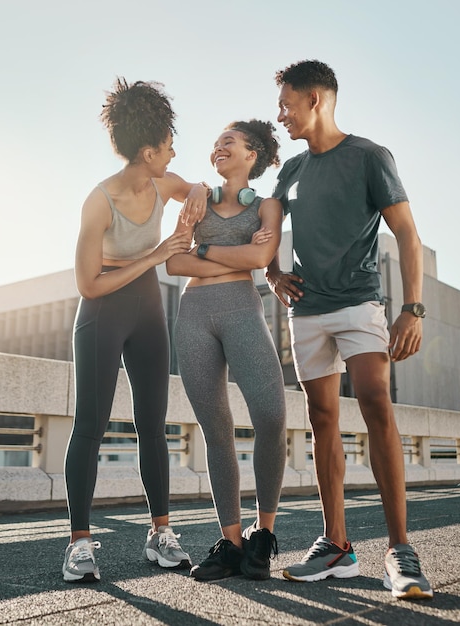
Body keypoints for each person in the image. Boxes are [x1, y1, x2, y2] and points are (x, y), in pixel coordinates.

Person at [266, 60, 433, 600]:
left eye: (287, 103)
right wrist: (272, 273)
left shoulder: (369, 156)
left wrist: (413, 308)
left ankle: (400, 550)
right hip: (307, 311)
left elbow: (406, 232)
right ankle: (336, 545)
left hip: (360, 305)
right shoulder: (289, 170)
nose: (281, 114)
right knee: (321, 418)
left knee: (376, 403)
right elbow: (265, 233)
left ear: (315, 99)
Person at [63, 77, 208, 583]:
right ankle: (79, 544)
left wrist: (198, 198)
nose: (174, 153)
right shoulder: (98, 202)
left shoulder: (160, 183)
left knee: (153, 423)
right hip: (103, 312)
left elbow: (196, 190)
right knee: (90, 425)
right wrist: (157, 253)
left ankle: (160, 534)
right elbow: (89, 283)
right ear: (147, 151)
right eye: (168, 146)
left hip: (147, 312)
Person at [166, 120, 287, 582]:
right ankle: (231, 542)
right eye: (216, 143)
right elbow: (174, 260)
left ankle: (263, 533)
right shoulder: (198, 200)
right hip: (194, 312)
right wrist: (224, 250)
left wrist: (207, 246)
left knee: (271, 417)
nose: (218, 148)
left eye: (229, 143)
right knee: (216, 430)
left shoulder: (269, 206)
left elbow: (259, 260)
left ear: (252, 154)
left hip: (241, 307)